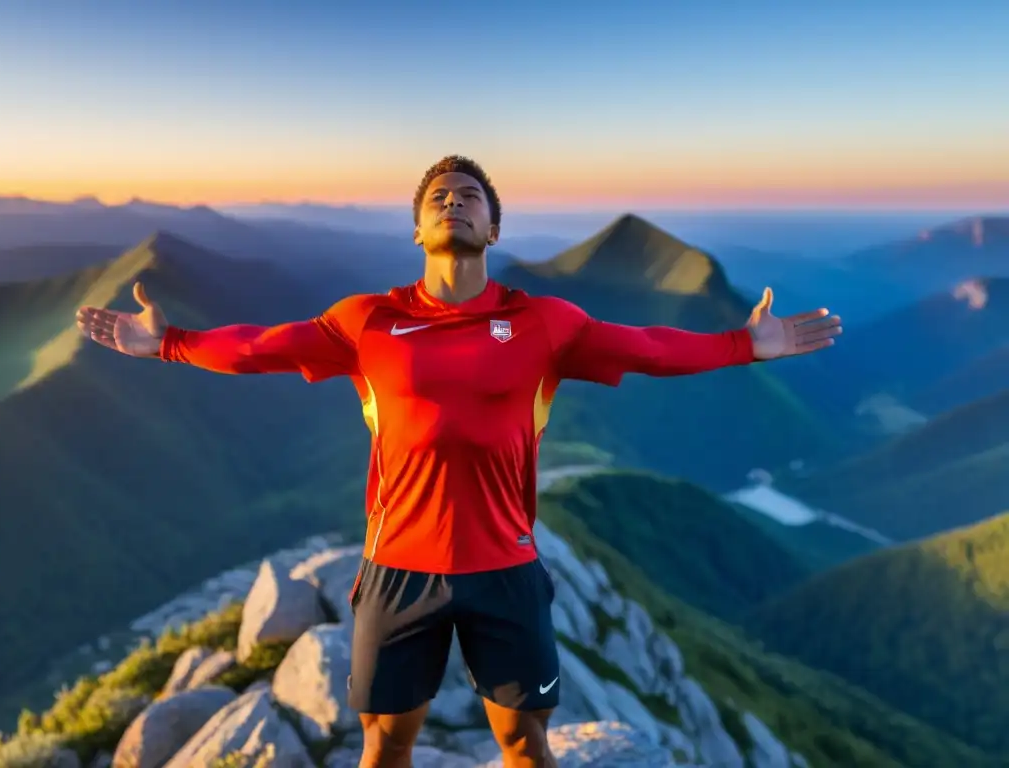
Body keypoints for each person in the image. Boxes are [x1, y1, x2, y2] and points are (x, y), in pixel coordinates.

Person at [76, 155, 842, 768]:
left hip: (505, 570)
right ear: (417, 228)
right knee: (385, 746)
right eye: (439, 194)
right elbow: (262, 347)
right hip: (395, 570)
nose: (453, 200)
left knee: (524, 746)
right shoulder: (368, 319)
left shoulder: (542, 322)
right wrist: (170, 343)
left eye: (470, 194)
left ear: (494, 225)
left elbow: (644, 347)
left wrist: (745, 344)